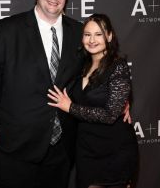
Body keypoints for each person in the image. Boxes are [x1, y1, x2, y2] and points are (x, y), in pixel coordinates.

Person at [0, 0, 131, 188]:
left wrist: (120, 100)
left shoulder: (80, 32)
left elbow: (98, 70)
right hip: (17, 141)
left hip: (62, 144)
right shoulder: (8, 29)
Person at [48, 14, 138, 188]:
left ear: (110, 36)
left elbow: (110, 115)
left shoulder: (117, 67)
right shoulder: (81, 65)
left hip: (113, 151)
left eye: (98, 34)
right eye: (87, 34)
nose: (92, 40)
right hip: (85, 151)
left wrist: (71, 107)